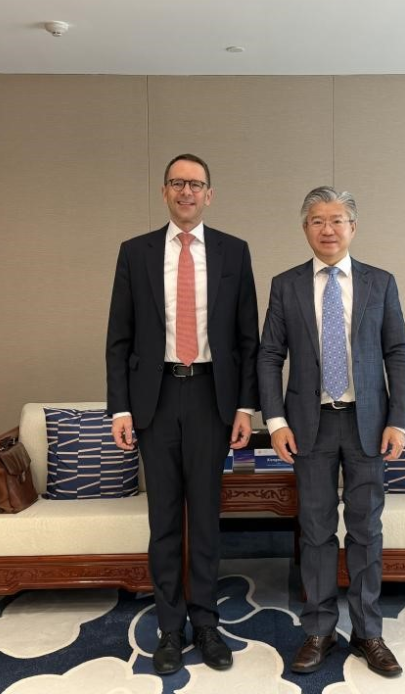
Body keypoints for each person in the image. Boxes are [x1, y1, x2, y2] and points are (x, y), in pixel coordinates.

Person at [106, 153, 259, 675]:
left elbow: (247, 338)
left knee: (207, 520)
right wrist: (120, 407)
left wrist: (245, 406)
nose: (186, 191)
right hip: (156, 397)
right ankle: (169, 629)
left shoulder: (234, 251)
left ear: (209, 194)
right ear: (164, 191)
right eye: (177, 182)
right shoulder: (136, 252)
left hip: (212, 397)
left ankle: (207, 623)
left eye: (196, 184)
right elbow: (119, 338)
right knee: (164, 520)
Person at [258, 186, 405, 678]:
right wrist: (275, 421)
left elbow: (397, 352)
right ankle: (319, 630)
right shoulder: (285, 285)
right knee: (317, 530)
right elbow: (269, 355)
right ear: (305, 228)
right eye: (317, 221)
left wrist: (398, 420)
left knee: (366, 530)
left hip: (369, 423)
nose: (328, 229)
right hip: (310, 425)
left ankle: (368, 632)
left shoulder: (380, 282)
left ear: (352, 228)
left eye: (337, 220)